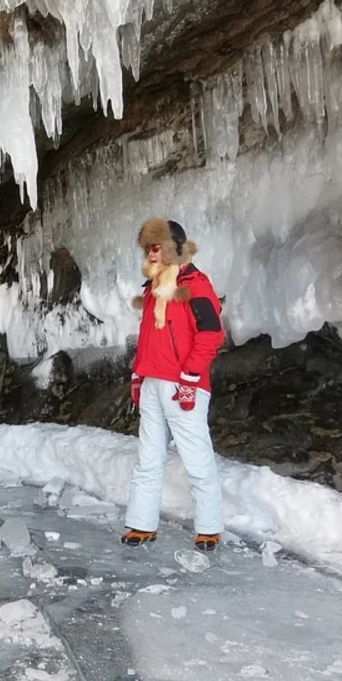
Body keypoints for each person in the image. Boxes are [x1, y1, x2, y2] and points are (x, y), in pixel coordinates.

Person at [124, 218, 225, 551]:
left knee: (196, 458)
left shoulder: (196, 285)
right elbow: (148, 338)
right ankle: (141, 524)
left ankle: (209, 528)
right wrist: (138, 375)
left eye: (156, 248)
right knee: (148, 459)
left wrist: (191, 377)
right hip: (153, 383)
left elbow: (211, 334)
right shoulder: (154, 288)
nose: (151, 255)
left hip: (184, 384)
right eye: (148, 249)